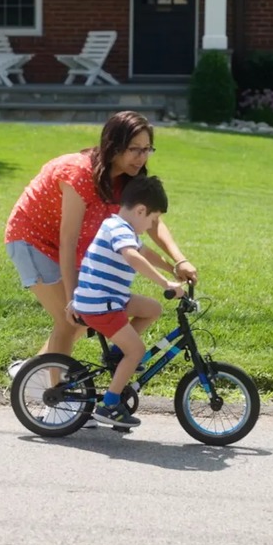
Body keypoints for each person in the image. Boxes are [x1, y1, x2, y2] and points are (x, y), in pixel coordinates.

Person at [4, 111, 198, 373]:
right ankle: (58, 403)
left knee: (83, 316)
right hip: (32, 240)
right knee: (71, 318)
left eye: (147, 149)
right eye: (134, 149)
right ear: (114, 146)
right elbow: (68, 239)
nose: (141, 158)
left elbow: (153, 221)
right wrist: (74, 298)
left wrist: (179, 261)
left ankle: (33, 373)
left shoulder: (130, 179)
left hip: (68, 246)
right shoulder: (80, 173)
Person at [72, 175, 183, 428]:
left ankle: (116, 355)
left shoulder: (119, 226)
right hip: (103, 304)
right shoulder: (119, 230)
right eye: (152, 220)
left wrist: (172, 269)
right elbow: (133, 257)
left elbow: (144, 252)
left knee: (152, 309)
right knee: (137, 351)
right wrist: (165, 285)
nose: (152, 225)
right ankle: (109, 405)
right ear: (141, 210)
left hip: (110, 298)